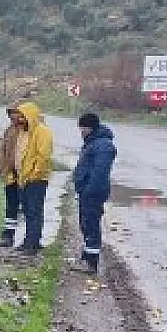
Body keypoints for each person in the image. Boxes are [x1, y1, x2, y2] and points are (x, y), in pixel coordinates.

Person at [72, 112, 117, 274]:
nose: (81, 131)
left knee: (91, 225)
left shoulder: (103, 145)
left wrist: (89, 190)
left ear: (90, 127)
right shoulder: (92, 142)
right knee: (85, 224)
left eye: (83, 128)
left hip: (93, 193)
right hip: (87, 192)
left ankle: (91, 264)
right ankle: (87, 256)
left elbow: (100, 173)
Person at [11, 101, 54, 254]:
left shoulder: (42, 131)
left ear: (30, 116)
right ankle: (29, 241)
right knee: (28, 211)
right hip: (24, 179)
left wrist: (34, 175)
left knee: (34, 211)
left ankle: (32, 244)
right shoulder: (23, 132)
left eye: (22, 116)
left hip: (36, 180)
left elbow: (43, 156)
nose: (19, 119)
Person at [0, 103, 23, 247]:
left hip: (24, 175)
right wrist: (2, 168)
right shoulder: (9, 131)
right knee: (11, 205)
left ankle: (29, 238)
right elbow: (2, 150)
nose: (13, 116)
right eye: (11, 113)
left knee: (27, 207)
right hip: (10, 175)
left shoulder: (28, 131)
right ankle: (8, 235)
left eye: (16, 113)